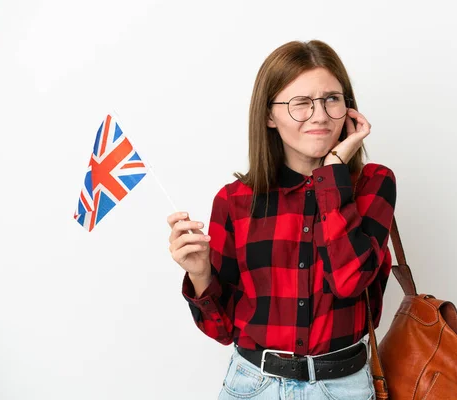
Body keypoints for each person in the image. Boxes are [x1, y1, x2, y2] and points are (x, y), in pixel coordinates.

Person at [167, 40, 396, 400]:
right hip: (253, 386)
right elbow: (222, 329)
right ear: (269, 117)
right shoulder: (234, 202)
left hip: (344, 387)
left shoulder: (373, 184)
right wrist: (200, 275)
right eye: (301, 103)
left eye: (331, 99)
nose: (320, 115)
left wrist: (333, 171)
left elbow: (349, 280)